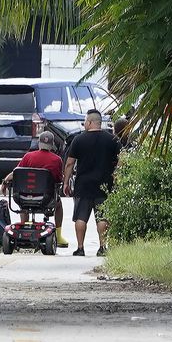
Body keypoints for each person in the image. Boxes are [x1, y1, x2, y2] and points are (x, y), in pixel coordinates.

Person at [63, 109, 121, 256]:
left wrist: (66, 182)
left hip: (83, 185)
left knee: (81, 217)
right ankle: (102, 247)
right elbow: (122, 159)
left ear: (89, 122)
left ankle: (80, 248)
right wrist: (116, 175)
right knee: (102, 217)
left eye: (85, 122)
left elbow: (70, 163)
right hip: (105, 184)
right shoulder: (112, 139)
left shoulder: (78, 140)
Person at [0, 131, 69, 248]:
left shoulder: (28, 156)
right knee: (59, 205)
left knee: (24, 206)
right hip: (46, 198)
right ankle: (59, 234)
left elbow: (16, 172)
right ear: (52, 145)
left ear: (39, 143)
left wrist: (5, 182)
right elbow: (58, 180)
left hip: (24, 196)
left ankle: (23, 228)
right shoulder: (56, 160)